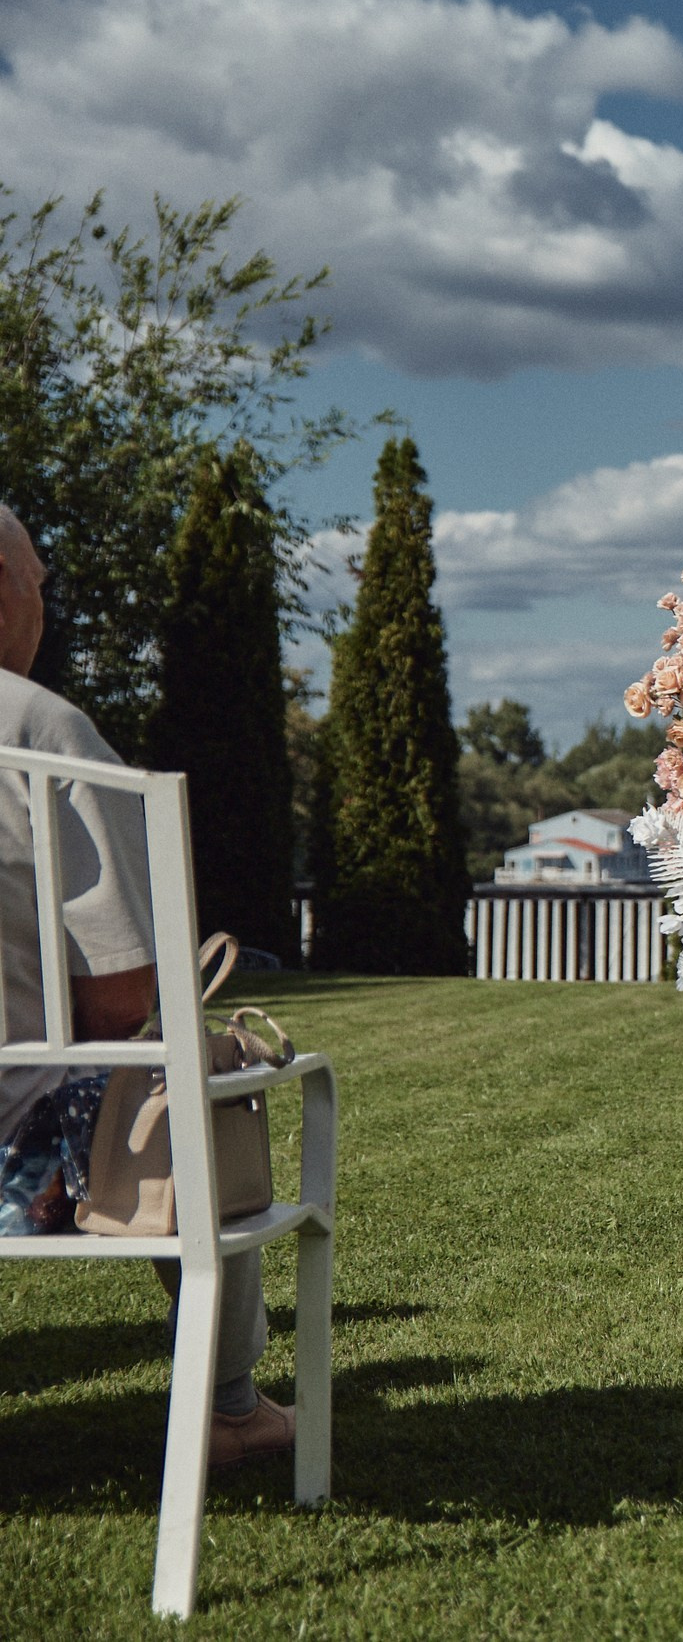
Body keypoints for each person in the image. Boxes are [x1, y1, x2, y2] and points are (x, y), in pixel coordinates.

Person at [0, 504, 294, 1465]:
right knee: (195, 1081)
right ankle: (229, 1407)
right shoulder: (38, 730)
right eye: (40, 583)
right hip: (14, 1155)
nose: (44, 603)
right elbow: (122, 1000)